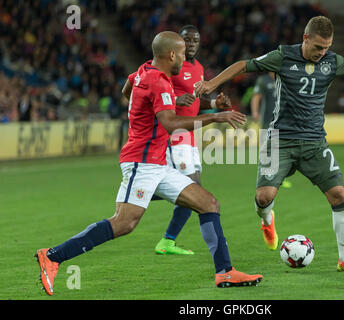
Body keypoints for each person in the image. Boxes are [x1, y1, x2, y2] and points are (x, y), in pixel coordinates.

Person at [35, 31, 263, 296]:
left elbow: (126, 91)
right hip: (142, 162)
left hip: (158, 162)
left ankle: (225, 271)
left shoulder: (143, 70)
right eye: (181, 54)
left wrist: (157, 104)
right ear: (172, 55)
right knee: (124, 223)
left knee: (208, 203)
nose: (184, 59)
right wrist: (216, 117)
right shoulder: (160, 81)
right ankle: (53, 256)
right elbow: (171, 124)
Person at [195, 16, 344, 273]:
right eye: (318, 47)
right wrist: (212, 83)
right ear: (305, 38)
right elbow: (244, 65)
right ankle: (267, 220)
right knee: (263, 196)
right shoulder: (282, 56)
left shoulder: (333, 61)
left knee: (339, 195)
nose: (322, 53)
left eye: (326, 47)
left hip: (314, 142)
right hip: (279, 140)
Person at [123, 25, 232, 255]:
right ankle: (168, 240)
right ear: (175, 47)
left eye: (195, 41)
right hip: (174, 136)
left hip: (190, 136)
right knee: (196, 191)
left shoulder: (198, 68)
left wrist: (213, 105)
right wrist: (172, 100)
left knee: (193, 190)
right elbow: (140, 90)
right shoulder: (164, 68)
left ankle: (142, 193)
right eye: (187, 41)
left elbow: (191, 100)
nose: (191, 45)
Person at [251, 72, 292, 189]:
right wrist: (255, 112)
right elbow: (256, 96)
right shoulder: (263, 80)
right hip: (267, 120)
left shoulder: (284, 77)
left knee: (280, 151)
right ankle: (265, 178)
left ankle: (278, 178)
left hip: (282, 121)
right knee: (267, 150)